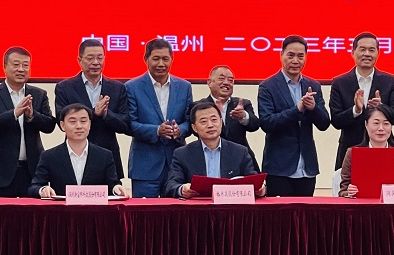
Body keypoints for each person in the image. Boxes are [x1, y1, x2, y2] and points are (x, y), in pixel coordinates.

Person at [0, 47, 57, 198]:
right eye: (16, 64)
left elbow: (49, 125)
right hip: (0, 171)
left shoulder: (39, 94)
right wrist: (13, 114)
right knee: (2, 213)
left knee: (33, 213)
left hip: (32, 170)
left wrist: (32, 116)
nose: (21, 69)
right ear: (5, 66)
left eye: (25, 65)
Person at [258, 35, 331, 197]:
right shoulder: (268, 86)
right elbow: (267, 123)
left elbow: (324, 123)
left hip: (307, 168)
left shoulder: (313, 85)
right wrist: (297, 109)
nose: (295, 61)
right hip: (279, 168)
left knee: (305, 213)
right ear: (281, 55)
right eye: (290, 55)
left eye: (300, 56)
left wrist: (313, 108)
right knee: (280, 213)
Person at [126, 38, 194, 198]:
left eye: (165, 59)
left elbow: (190, 121)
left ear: (172, 59)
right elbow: (129, 124)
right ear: (146, 59)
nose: (161, 64)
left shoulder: (184, 87)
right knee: (144, 211)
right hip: (145, 165)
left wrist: (180, 130)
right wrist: (157, 130)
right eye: (156, 58)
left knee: (176, 211)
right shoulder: (132, 87)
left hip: (176, 162)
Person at [54, 38, 130, 178]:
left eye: (100, 58)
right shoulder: (64, 87)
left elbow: (125, 124)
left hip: (108, 155)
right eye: (90, 58)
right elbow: (61, 121)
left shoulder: (117, 88)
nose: (96, 62)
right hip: (74, 154)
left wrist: (106, 114)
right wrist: (94, 113)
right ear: (79, 60)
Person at [329, 32, 394, 171]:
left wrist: (381, 108)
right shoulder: (340, 83)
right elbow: (336, 121)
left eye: (371, 50)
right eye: (362, 49)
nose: (367, 54)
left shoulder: (390, 81)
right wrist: (356, 110)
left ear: (378, 53)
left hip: (384, 148)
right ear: (353, 52)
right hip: (350, 148)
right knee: (349, 185)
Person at [164, 101, 265, 199]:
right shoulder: (182, 154)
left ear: (221, 122)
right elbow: (171, 185)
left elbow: (254, 181)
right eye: (203, 121)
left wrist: (261, 189)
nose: (210, 125)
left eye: (214, 120)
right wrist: (182, 189)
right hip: (198, 206)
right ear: (194, 128)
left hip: (230, 206)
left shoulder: (240, 152)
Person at [29, 103, 126, 198]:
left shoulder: (105, 156)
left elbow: (113, 184)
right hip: (62, 207)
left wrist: (116, 188)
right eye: (72, 121)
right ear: (62, 125)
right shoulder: (49, 156)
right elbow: (35, 186)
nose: (79, 126)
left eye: (83, 121)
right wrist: (43, 189)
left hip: (94, 208)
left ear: (89, 124)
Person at [198, 65, 261, 171]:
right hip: (210, 160)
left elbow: (255, 125)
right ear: (209, 82)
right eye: (221, 79)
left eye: (230, 80)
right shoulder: (199, 106)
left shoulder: (242, 104)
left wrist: (243, 116)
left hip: (241, 161)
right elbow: (196, 132)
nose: (226, 83)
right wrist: (215, 115)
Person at [338, 105, 394, 198]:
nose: (381, 128)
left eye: (386, 123)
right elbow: (343, 191)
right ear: (366, 124)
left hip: (392, 206)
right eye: (376, 123)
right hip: (362, 205)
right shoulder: (353, 153)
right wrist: (349, 192)